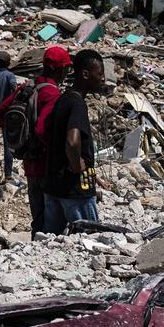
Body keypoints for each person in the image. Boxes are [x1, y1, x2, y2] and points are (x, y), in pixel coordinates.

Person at [0, 46, 68, 234]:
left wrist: (21, 139)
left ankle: (36, 244)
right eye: (66, 68)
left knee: (37, 213)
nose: (67, 73)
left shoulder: (26, 88)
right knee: (51, 219)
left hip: (29, 162)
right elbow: (43, 130)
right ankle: (44, 249)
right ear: (60, 69)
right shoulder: (52, 94)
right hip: (46, 165)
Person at [43, 49, 105, 234]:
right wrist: (77, 163)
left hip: (54, 184)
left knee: (50, 241)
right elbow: (72, 141)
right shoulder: (78, 104)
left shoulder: (63, 99)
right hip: (76, 189)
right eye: (100, 73)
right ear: (85, 74)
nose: (103, 79)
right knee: (90, 240)